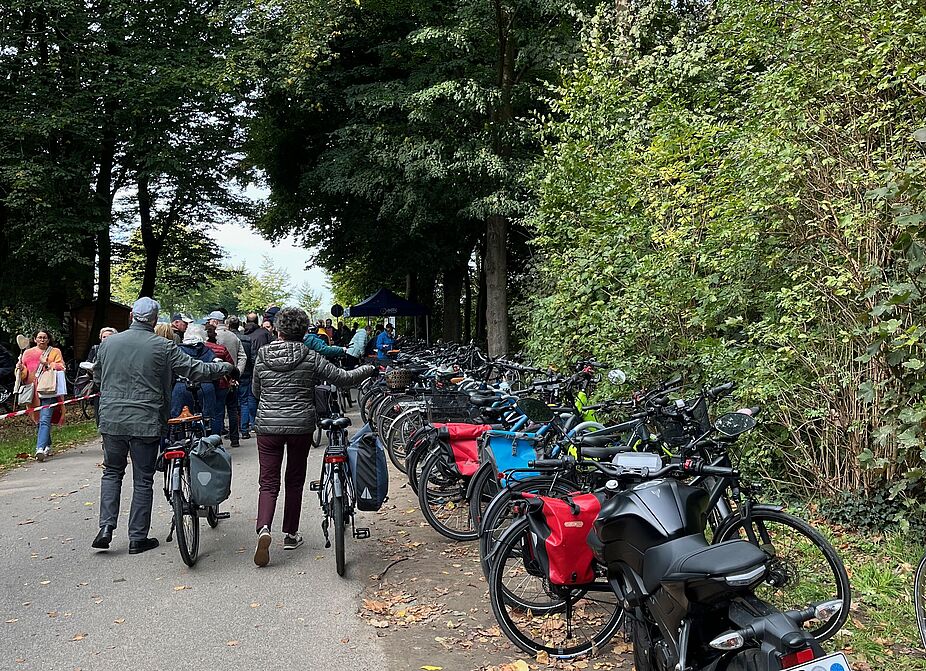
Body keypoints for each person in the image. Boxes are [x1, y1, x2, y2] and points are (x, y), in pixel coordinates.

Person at [92, 298, 232, 555]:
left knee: (112, 472)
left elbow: (98, 377)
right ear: (155, 320)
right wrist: (224, 367)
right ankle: (137, 537)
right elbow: (195, 370)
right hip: (146, 419)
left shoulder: (108, 343)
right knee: (143, 479)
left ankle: (106, 528)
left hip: (111, 419)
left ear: (132, 314)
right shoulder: (163, 346)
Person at [251, 306, 376, 567]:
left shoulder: (263, 355)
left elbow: (255, 390)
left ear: (278, 329)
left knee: (268, 482)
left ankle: (264, 528)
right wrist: (368, 369)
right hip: (300, 426)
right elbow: (342, 378)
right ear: (303, 329)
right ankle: (290, 533)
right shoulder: (309, 355)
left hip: (268, 427)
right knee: (295, 479)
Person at [16, 329, 65, 461]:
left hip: (48, 391)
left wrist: (48, 364)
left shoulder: (55, 351)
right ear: (35, 339)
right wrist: (20, 369)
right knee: (38, 420)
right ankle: (47, 445)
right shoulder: (27, 353)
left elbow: (61, 367)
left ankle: (40, 448)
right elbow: (24, 374)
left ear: (48, 339)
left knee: (45, 419)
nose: (42, 340)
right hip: (33, 392)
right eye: (39, 337)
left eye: (44, 337)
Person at [173, 325, 221, 434]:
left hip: (181, 387)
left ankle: (178, 443)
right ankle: (212, 443)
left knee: (177, 419)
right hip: (206, 387)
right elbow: (216, 372)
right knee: (209, 418)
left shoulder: (178, 351)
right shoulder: (208, 351)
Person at [207, 311, 245, 445]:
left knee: (218, 411)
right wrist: (236, 374)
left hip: (217, 380)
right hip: (232, 378)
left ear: (215, 322)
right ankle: (235, 439)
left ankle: (217, 439)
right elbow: (242, 357)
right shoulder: (233, 337)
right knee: (233, 409)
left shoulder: (208, 338)